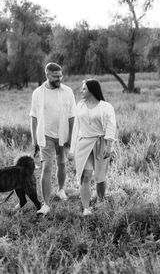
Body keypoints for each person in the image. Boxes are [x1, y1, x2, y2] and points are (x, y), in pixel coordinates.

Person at [30, 62, 76, 215]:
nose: (59, 79)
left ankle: (61, 189)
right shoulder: (38, 93)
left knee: (62, 164)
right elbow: (34, 117)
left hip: (63, 134)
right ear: (47, 75)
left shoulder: (67, 91)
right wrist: (34, 140)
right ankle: (46, 204)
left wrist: (71, 136)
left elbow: (72, 116)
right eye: (56, 76)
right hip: (45, 136)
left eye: (60, 76)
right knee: (46, 167)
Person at [70, 79, 116, 216]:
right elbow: (75, 128)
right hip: (83, 144)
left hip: (100, 144)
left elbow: (110, 126)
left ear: (91, 90)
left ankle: (101, 201)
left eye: (84, 89)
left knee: (100, 177)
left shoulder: (106, 107)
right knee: (86, 175)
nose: (81, 91)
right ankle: (86, 208)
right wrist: (72, 150)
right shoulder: (80, 106)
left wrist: (109, 146)